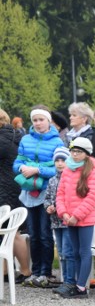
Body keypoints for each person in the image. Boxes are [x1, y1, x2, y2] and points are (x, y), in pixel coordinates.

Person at [15, 107, 64, 287]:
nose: (37, 123)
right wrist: (22, 168)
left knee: (45, 233)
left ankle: (46, 272)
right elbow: (16, 163)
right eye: (34, 120)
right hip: (28, 192)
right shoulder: (25, 139)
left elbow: (59, 167)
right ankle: (35, 271)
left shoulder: (57, 141)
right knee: (33, 233)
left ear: (48, 121)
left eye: (41, 120)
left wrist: (37, 169)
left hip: (46, 192)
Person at [55, 137, 95, 298]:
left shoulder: (92, 172)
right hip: (69, 218)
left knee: (84, 251)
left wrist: (76, 215)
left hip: (84, 219)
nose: (74, 154)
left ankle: (82, 287)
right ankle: (74, 283)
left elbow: (92, 197)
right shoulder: (67, 170)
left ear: (86, 154)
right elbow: (60, 194)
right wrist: (64, 213)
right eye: (73, 151)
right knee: (74, 252)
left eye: (78, 152)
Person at [0, 108, 31, 282]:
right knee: (7, 231)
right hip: (14, 186)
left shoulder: (2, 139)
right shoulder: (14, 136)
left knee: (13, 232)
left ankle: (25, 271)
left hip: (5, 188)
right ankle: (5, 271)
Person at [44, 148, 74, 294]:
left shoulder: (71, 179)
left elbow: (71, 199)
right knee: (61, 252)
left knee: (68, 251)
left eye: (63, 160)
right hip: (55, 222)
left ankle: (70, 280)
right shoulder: (51, 180)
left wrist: (60, 208)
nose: (60, 163)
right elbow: (47, 198)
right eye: (57, 160)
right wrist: (49, 206)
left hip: (67, 221)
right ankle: (64, 279)